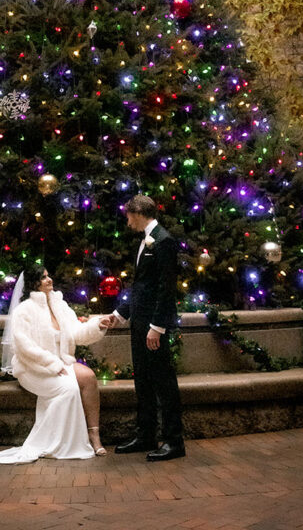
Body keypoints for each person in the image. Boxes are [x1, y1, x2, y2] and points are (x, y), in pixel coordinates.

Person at [0, 268, 109, 463]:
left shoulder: (60, 305)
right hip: (32, 368)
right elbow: (23, 345)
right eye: (43, 277)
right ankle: (56, 443)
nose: (49, 279)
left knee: (89, 378)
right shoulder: (24, 310)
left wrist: (97, 326)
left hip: (61, 363)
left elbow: (77, 333)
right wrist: (50, 363)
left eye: (49, 275)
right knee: (69, 388)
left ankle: (94, 436)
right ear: (34, 283)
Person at [108, 194, 185, 461]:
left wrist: (158, 326)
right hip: (139, 322)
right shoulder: (144, 241)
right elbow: (141, 286)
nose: (127, 221)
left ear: (138, 213)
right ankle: (146, 435)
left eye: (128, 215)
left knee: (163, 382)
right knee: (142, 380)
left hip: (153, 325)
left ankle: (174, 441)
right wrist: (119, 314)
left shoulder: (164, 241)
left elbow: (166, 288)